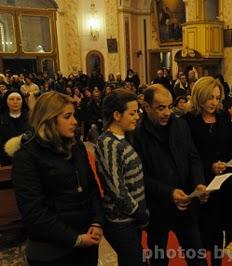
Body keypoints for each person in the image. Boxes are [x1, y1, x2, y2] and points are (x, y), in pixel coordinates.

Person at [8, 91, 104, 265]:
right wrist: (76, 239)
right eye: (67, 116)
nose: (75, 121)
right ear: (49, 119)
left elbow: (91, 186)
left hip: (87, 241)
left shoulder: (76, 145)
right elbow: (34, 212)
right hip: (52, 251)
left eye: (73, 115)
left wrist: (97, 222)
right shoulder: (26, 157)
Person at [130, 84, 208, 266]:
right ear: (146, 107)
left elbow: (193, 157)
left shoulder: (180, 125)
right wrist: (169, 193)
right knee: (158, 259)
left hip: (187, 204)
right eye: (160, 108)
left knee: (198, 258)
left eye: (169, 106)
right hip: (158, 210)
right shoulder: (136, 134)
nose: (167, 112)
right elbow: (141, 177)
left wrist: (198, 183)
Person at [183, 76, 232, 266]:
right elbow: (188, 155)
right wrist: (209, 166)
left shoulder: (222, 116)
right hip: (202, 184)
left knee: (220, 231)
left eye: (217, 97)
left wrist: (229, 163)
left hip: (224, 183)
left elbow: (231, 145)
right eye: (210, 98)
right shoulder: (188, 121)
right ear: (199, 97)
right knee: (201, 231)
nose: (214, 102)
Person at [95, 89, 148, 266]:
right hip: (121, 221)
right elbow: (116, 188)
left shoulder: (122, 138)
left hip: (130, 219)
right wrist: (138, 212)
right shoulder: (108, 143)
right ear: (117, 115)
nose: (137, 117)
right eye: (132, 113)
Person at [0, 90, 29, 166]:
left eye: (18, 99)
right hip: (6, 159)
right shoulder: (1, 119)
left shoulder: (31, 118)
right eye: (11, 99)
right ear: (6, 101)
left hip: (28, 160)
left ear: (22, 101)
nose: (15, 102)